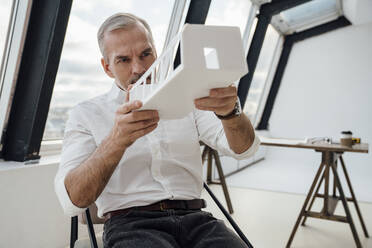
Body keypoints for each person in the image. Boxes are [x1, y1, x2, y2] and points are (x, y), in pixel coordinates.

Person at [55, 13, 260, 248]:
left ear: (157, 52)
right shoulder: (86, 114)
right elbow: (73, 202)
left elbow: (244, 150)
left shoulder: (190, 96)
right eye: (123, 60)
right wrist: (116, 141)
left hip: (197, 219)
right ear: (107, 67)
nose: (139, 68)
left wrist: (230, 113)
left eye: (146, 54)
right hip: (132, 225)